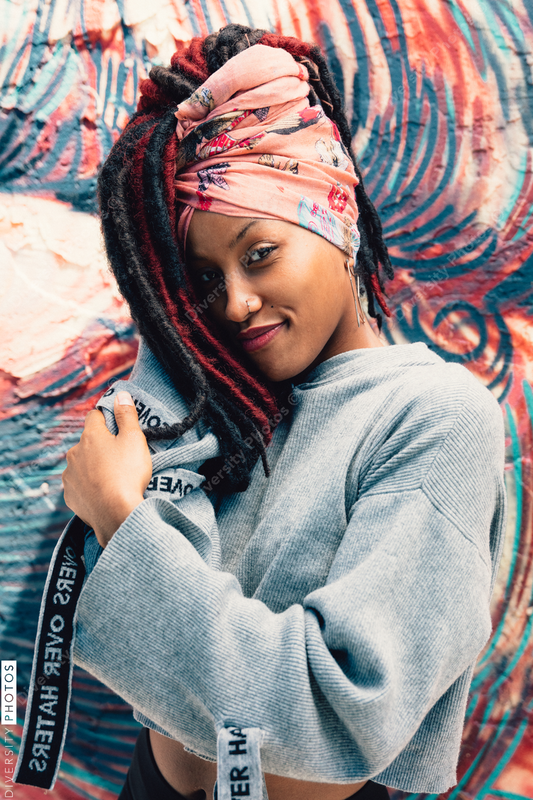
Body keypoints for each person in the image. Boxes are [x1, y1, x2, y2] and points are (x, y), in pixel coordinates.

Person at [40, 24, 507, 800]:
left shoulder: (432, 416)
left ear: (336, 214)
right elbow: (130, 614)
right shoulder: (217, 399)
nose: (237, 303)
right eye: (203, 281)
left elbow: (337, 708)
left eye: (258, 254)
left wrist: (123, 519)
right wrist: (171, 342)